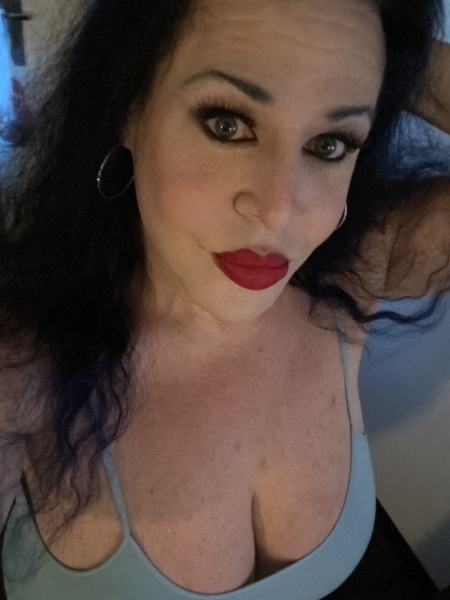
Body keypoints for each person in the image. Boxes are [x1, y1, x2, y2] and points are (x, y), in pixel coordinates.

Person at [0, 0, 449, 598]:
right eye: (227, 124)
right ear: (127, 108)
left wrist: (392, 53)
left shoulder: (356, 268)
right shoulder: (22, 363)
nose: (279, 211)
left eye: (330, 142)